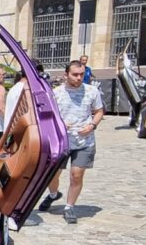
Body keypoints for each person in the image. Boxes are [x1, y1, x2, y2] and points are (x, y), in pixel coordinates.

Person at [38, 61, 104, 224]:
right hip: (61, 141)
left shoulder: (91, 91)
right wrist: (59, 123)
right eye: (75, 74)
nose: (79, 78)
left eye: (81, 74)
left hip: (84, 141)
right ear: (66, 75)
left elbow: (99, 111)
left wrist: (93, 125)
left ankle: (69, 206)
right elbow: (46, 116)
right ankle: (53, 194)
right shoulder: (56, 93)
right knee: (53, 175)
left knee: (77, 175)